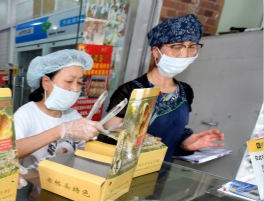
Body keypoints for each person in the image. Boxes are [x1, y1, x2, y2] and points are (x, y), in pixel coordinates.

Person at [104, 14, 224, 162]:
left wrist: (186, 144)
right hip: (126, 172)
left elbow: (174, 136)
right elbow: (107, 136)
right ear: (156, 52)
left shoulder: (185, 91)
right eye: (177, 46)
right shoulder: (132, 90)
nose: (184, 54)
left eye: (192, 47)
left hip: (163, 171)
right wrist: (130, 136)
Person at [14, 49, 104, 171]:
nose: (75, 89)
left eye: (80, 82)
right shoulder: (26, 114)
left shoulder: (73, 115)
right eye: (69, 81)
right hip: (34, 182)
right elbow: (12, 152)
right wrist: (62, 130)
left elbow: (83, 149)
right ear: (46, 82)